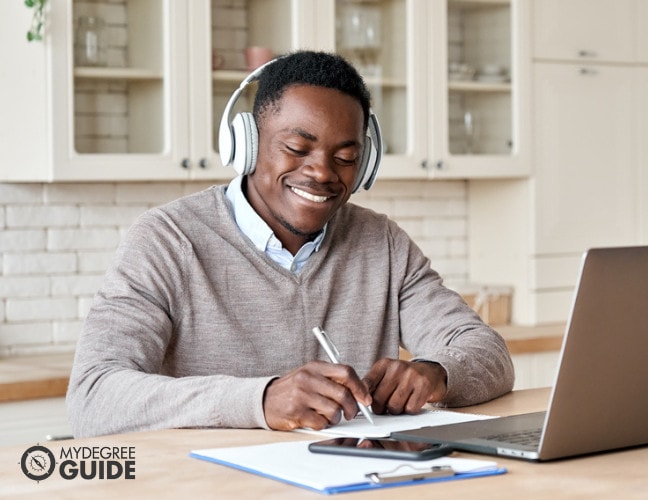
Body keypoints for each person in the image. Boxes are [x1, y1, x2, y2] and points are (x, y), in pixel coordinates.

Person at [66, 50, 514, 437]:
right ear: (246, 143)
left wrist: (437, 374)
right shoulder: (168, 240)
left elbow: (486, 351)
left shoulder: (383, 244)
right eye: (297, 149)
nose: (322, 172)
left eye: (346, 158)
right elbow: (93, 395)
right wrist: (260, 400)